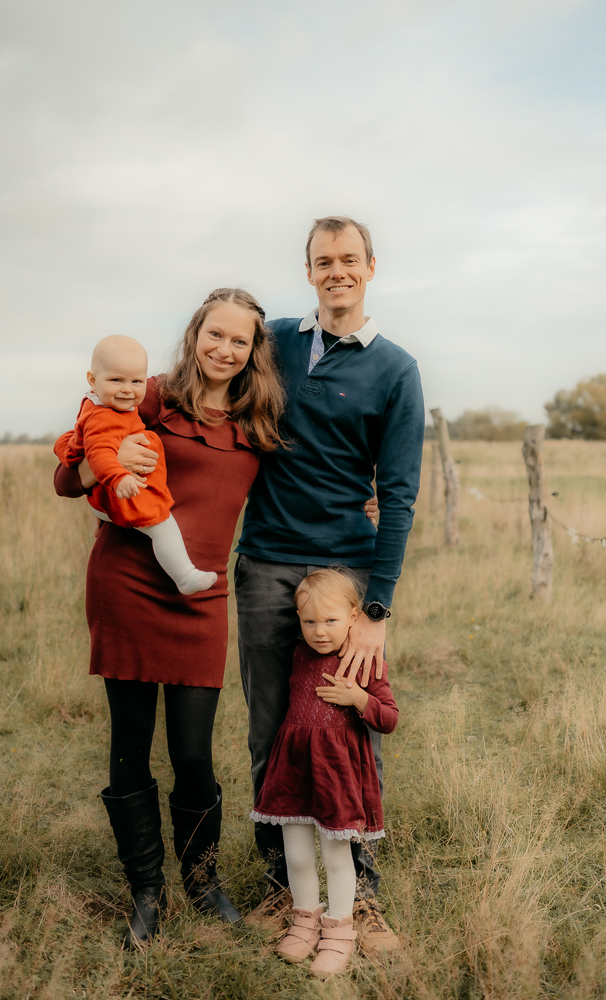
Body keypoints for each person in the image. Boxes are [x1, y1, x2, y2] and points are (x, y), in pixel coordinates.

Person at [53, 288, 284, 950]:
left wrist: (365, 503)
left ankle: (204, 883)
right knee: (129, 744)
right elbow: (67, 480)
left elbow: (299, 490)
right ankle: (146, 891)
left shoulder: (260, 418)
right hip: (127, 584)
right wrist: (103, 465)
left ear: (253, 350)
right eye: (215, 334)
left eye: (239, 340)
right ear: (195, 334)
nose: (224, 349)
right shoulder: (149, 396)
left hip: (201, 596)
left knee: (191, 752)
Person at [236, 216, 425, 958]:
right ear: (308, 271)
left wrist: (376, 607)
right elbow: (206, 371)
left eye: (349, 259)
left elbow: (399, 494)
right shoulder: (275, 342)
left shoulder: (397, 370)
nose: (336, 271)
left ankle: (361, 898)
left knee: (349, 729)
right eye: (323, 260)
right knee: (270, 729)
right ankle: (284, 890)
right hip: (265, 563)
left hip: (346, 575)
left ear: (371, 267)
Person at [251, 569, 399, 979]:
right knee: (297, 854)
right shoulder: (298, 652)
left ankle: (339, 930)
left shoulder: (363, 660)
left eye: (330, 620)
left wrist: (358, 698)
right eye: (309, 621)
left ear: (354, 616)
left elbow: (389, 718)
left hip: (337, 773)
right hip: (295, 768)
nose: (319, 631)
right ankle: (304, 919)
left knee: (336, 855)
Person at [55, 334, 217, 595]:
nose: (128, 389)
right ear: (93, 381)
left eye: (136, 381)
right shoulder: (104, 418)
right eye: (116, 380)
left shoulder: (108, 406)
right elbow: (99, 453)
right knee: (162, 526)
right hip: (116, 489)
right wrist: (118, 477)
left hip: (112, 489)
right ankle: (185, 576)